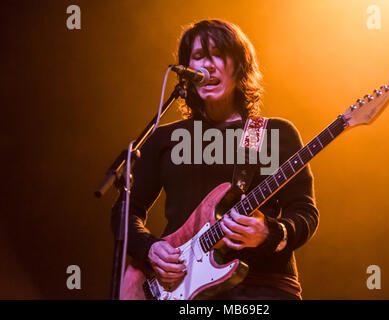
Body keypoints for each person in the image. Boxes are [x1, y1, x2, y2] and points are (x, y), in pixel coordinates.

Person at [112, 19, 319, 300]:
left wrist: (270, 232)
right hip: (179, 288)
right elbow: (127, 209)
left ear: (240, 67)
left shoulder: (274, 133)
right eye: (198, 57)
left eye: (219, 55)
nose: (207, 65)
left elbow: (305, 212)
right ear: (187, 72)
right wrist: (150, 248)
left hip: (261, 288)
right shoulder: (164, 139)